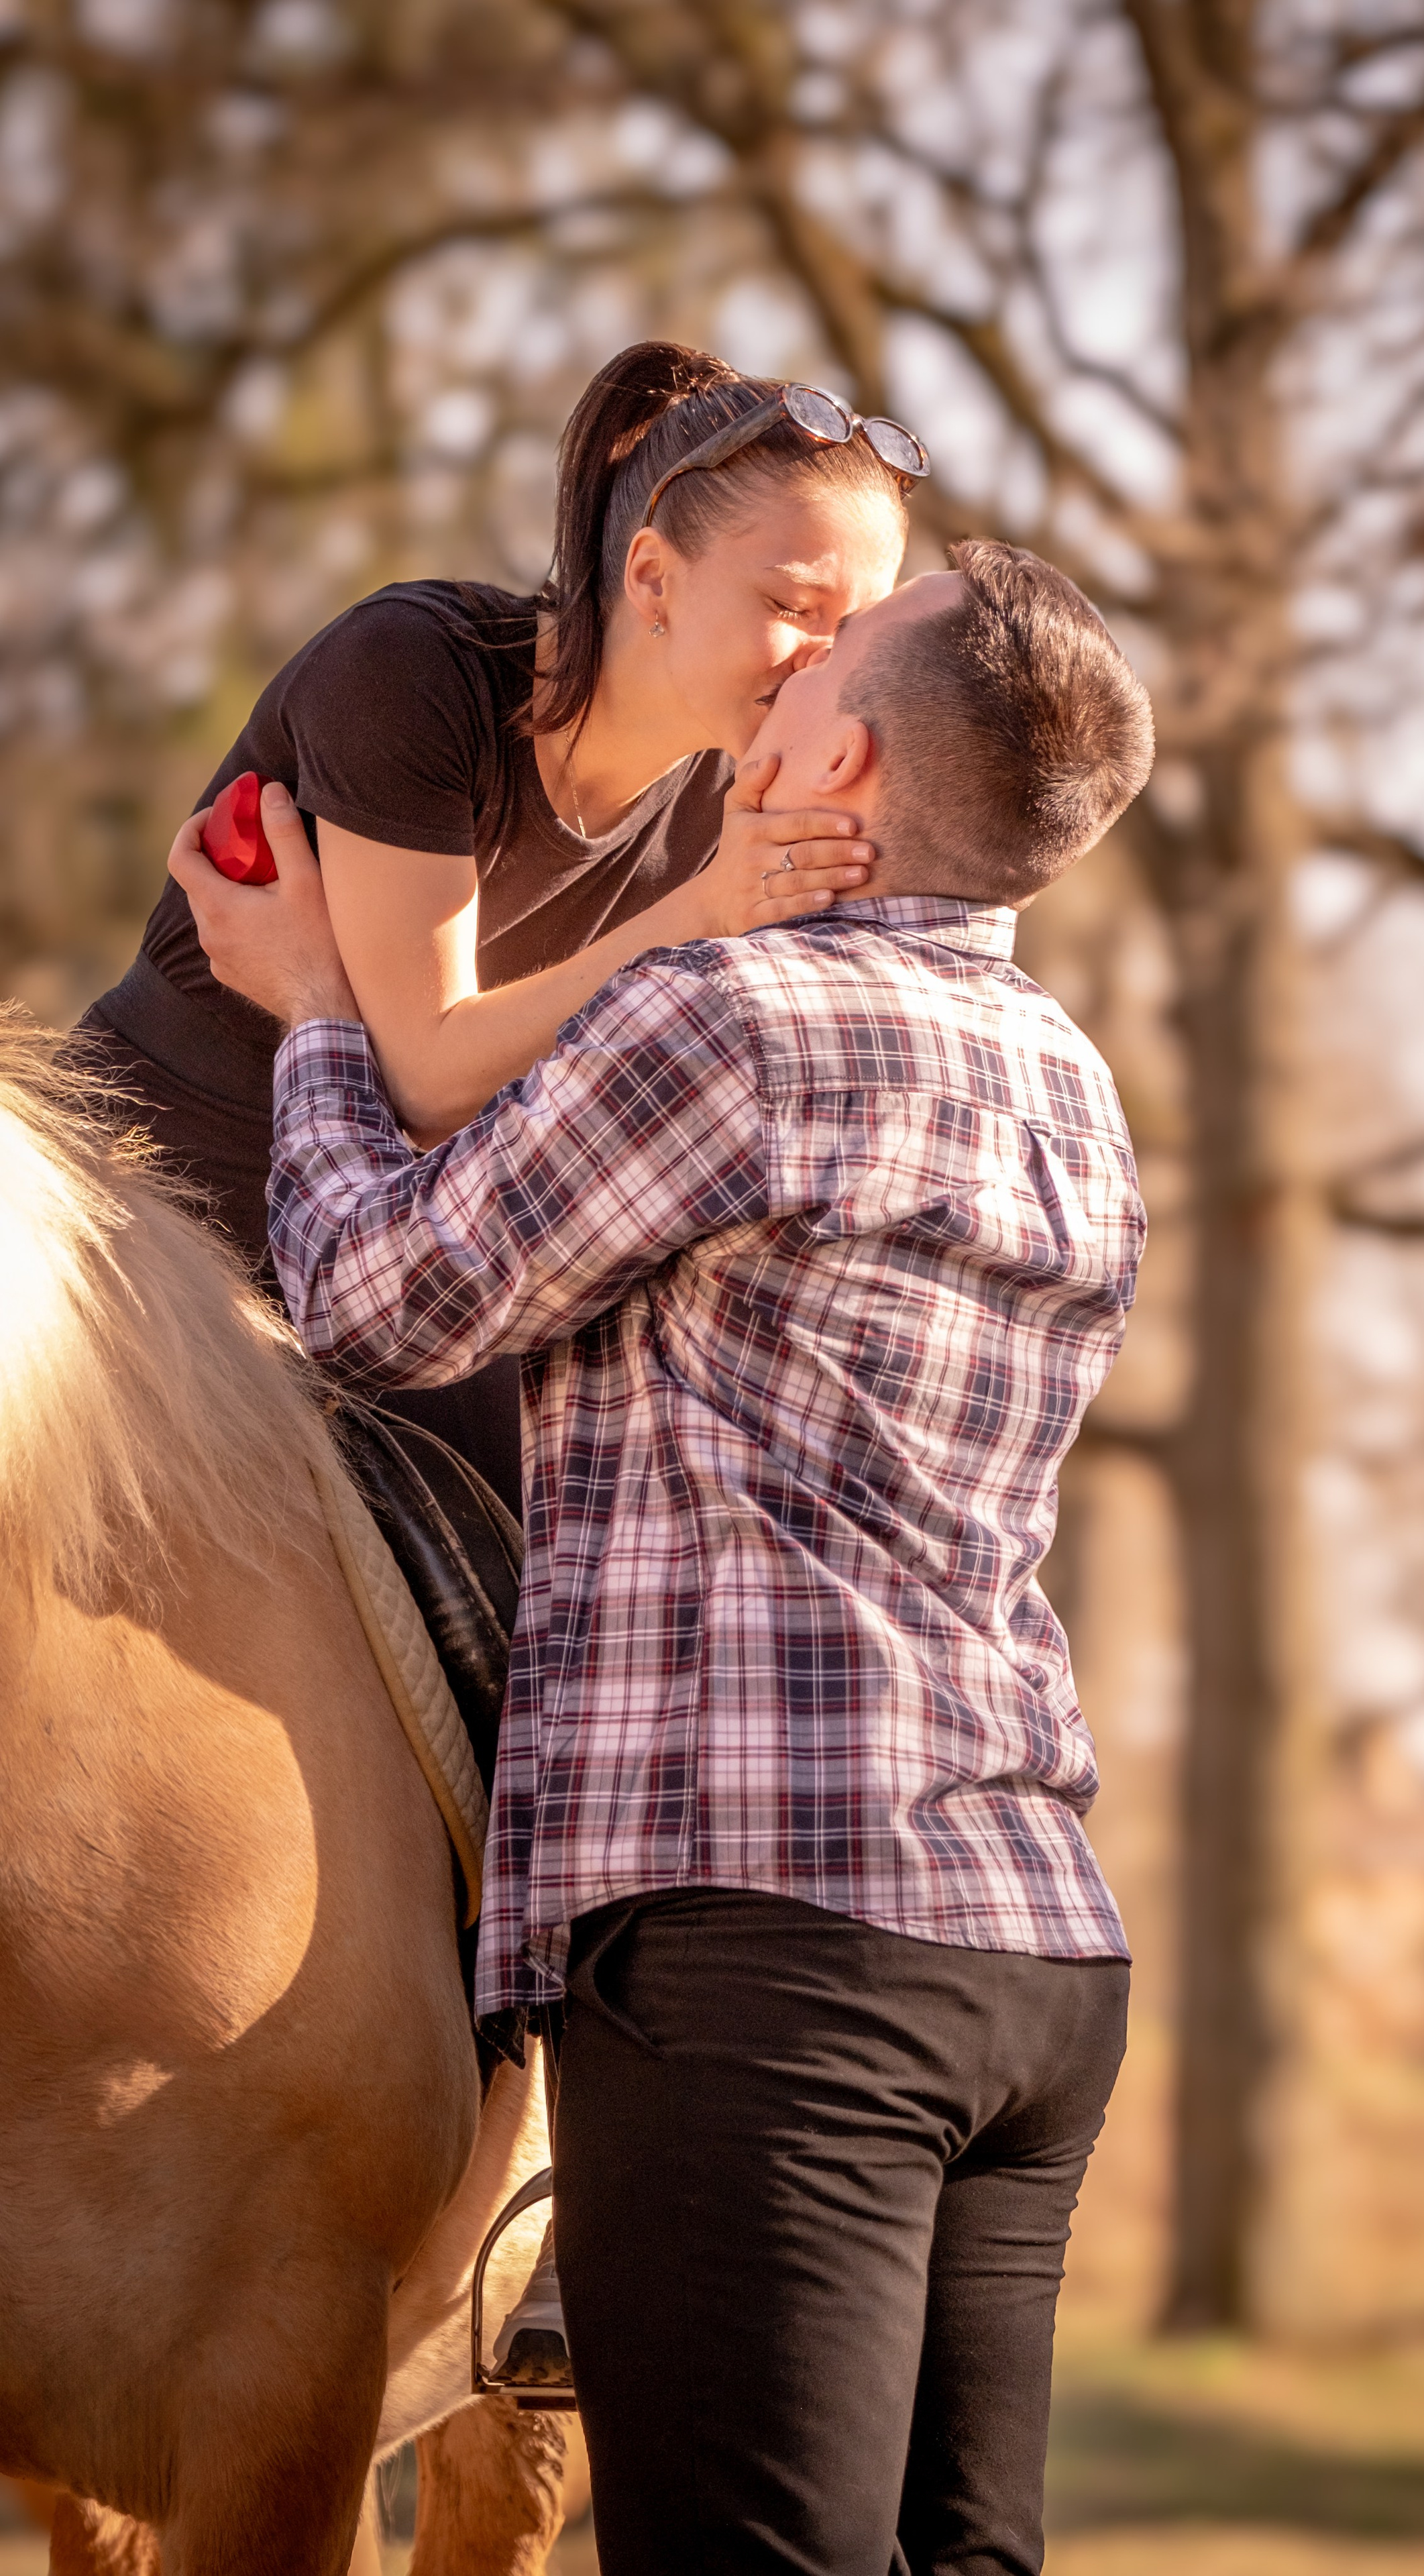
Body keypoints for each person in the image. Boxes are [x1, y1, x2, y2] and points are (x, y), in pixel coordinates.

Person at [172, 537, 1155, 2575]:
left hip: (772, 1950)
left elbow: (378, 1299)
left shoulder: (740, 1018)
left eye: (816, 676)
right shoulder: (1074, 1084)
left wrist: (322, 1013)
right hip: (1032, 1947)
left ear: (844, 769)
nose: (772, 686)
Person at [84, 341, 922, 1511]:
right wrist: (710, 911)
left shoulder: (718, 810)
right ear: (652, 579)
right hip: (157, 1199)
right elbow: (424, 1075)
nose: (825, 663)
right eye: (793, 606)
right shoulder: (411, 674)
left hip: (401, 1271)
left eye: (860, 632)